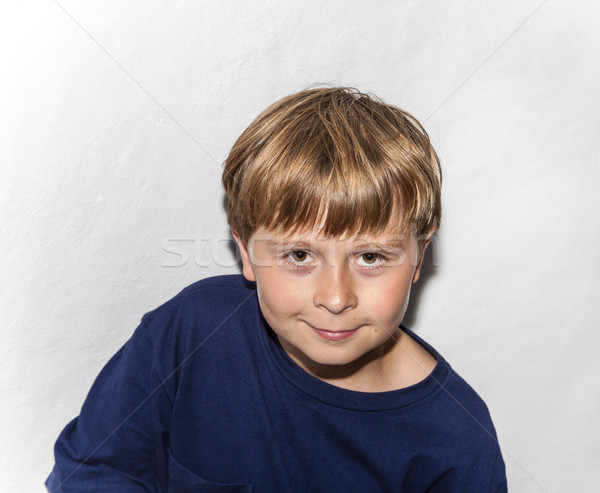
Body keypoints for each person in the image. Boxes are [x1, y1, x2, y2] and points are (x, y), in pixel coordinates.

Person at [46, 87, 507, 492]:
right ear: (246, 252)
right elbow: (95, 468)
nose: (334, 297)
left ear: (418, 258)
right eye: (299, 256)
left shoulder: (457, 439)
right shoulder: (190, 332)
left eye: (371, 257)